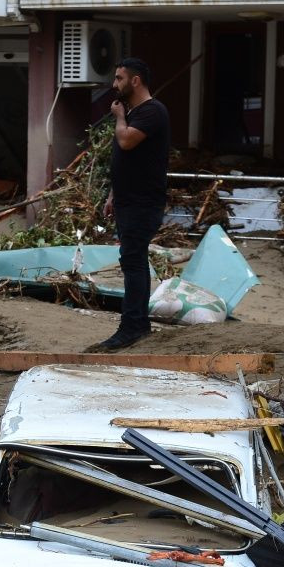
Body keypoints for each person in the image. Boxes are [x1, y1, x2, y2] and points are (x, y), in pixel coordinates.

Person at [95, 57, 170, 352]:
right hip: (128, 200)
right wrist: (113, 195)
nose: (114, 85)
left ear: (135, 81)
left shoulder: (152, 111)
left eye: (119, 79)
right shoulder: (137, 112)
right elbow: (125, 161)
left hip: (143, 202)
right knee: (131, 260)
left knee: (134, 260)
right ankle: (136, 324)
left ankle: (133, 326)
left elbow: (126, 142)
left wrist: (119, 117)